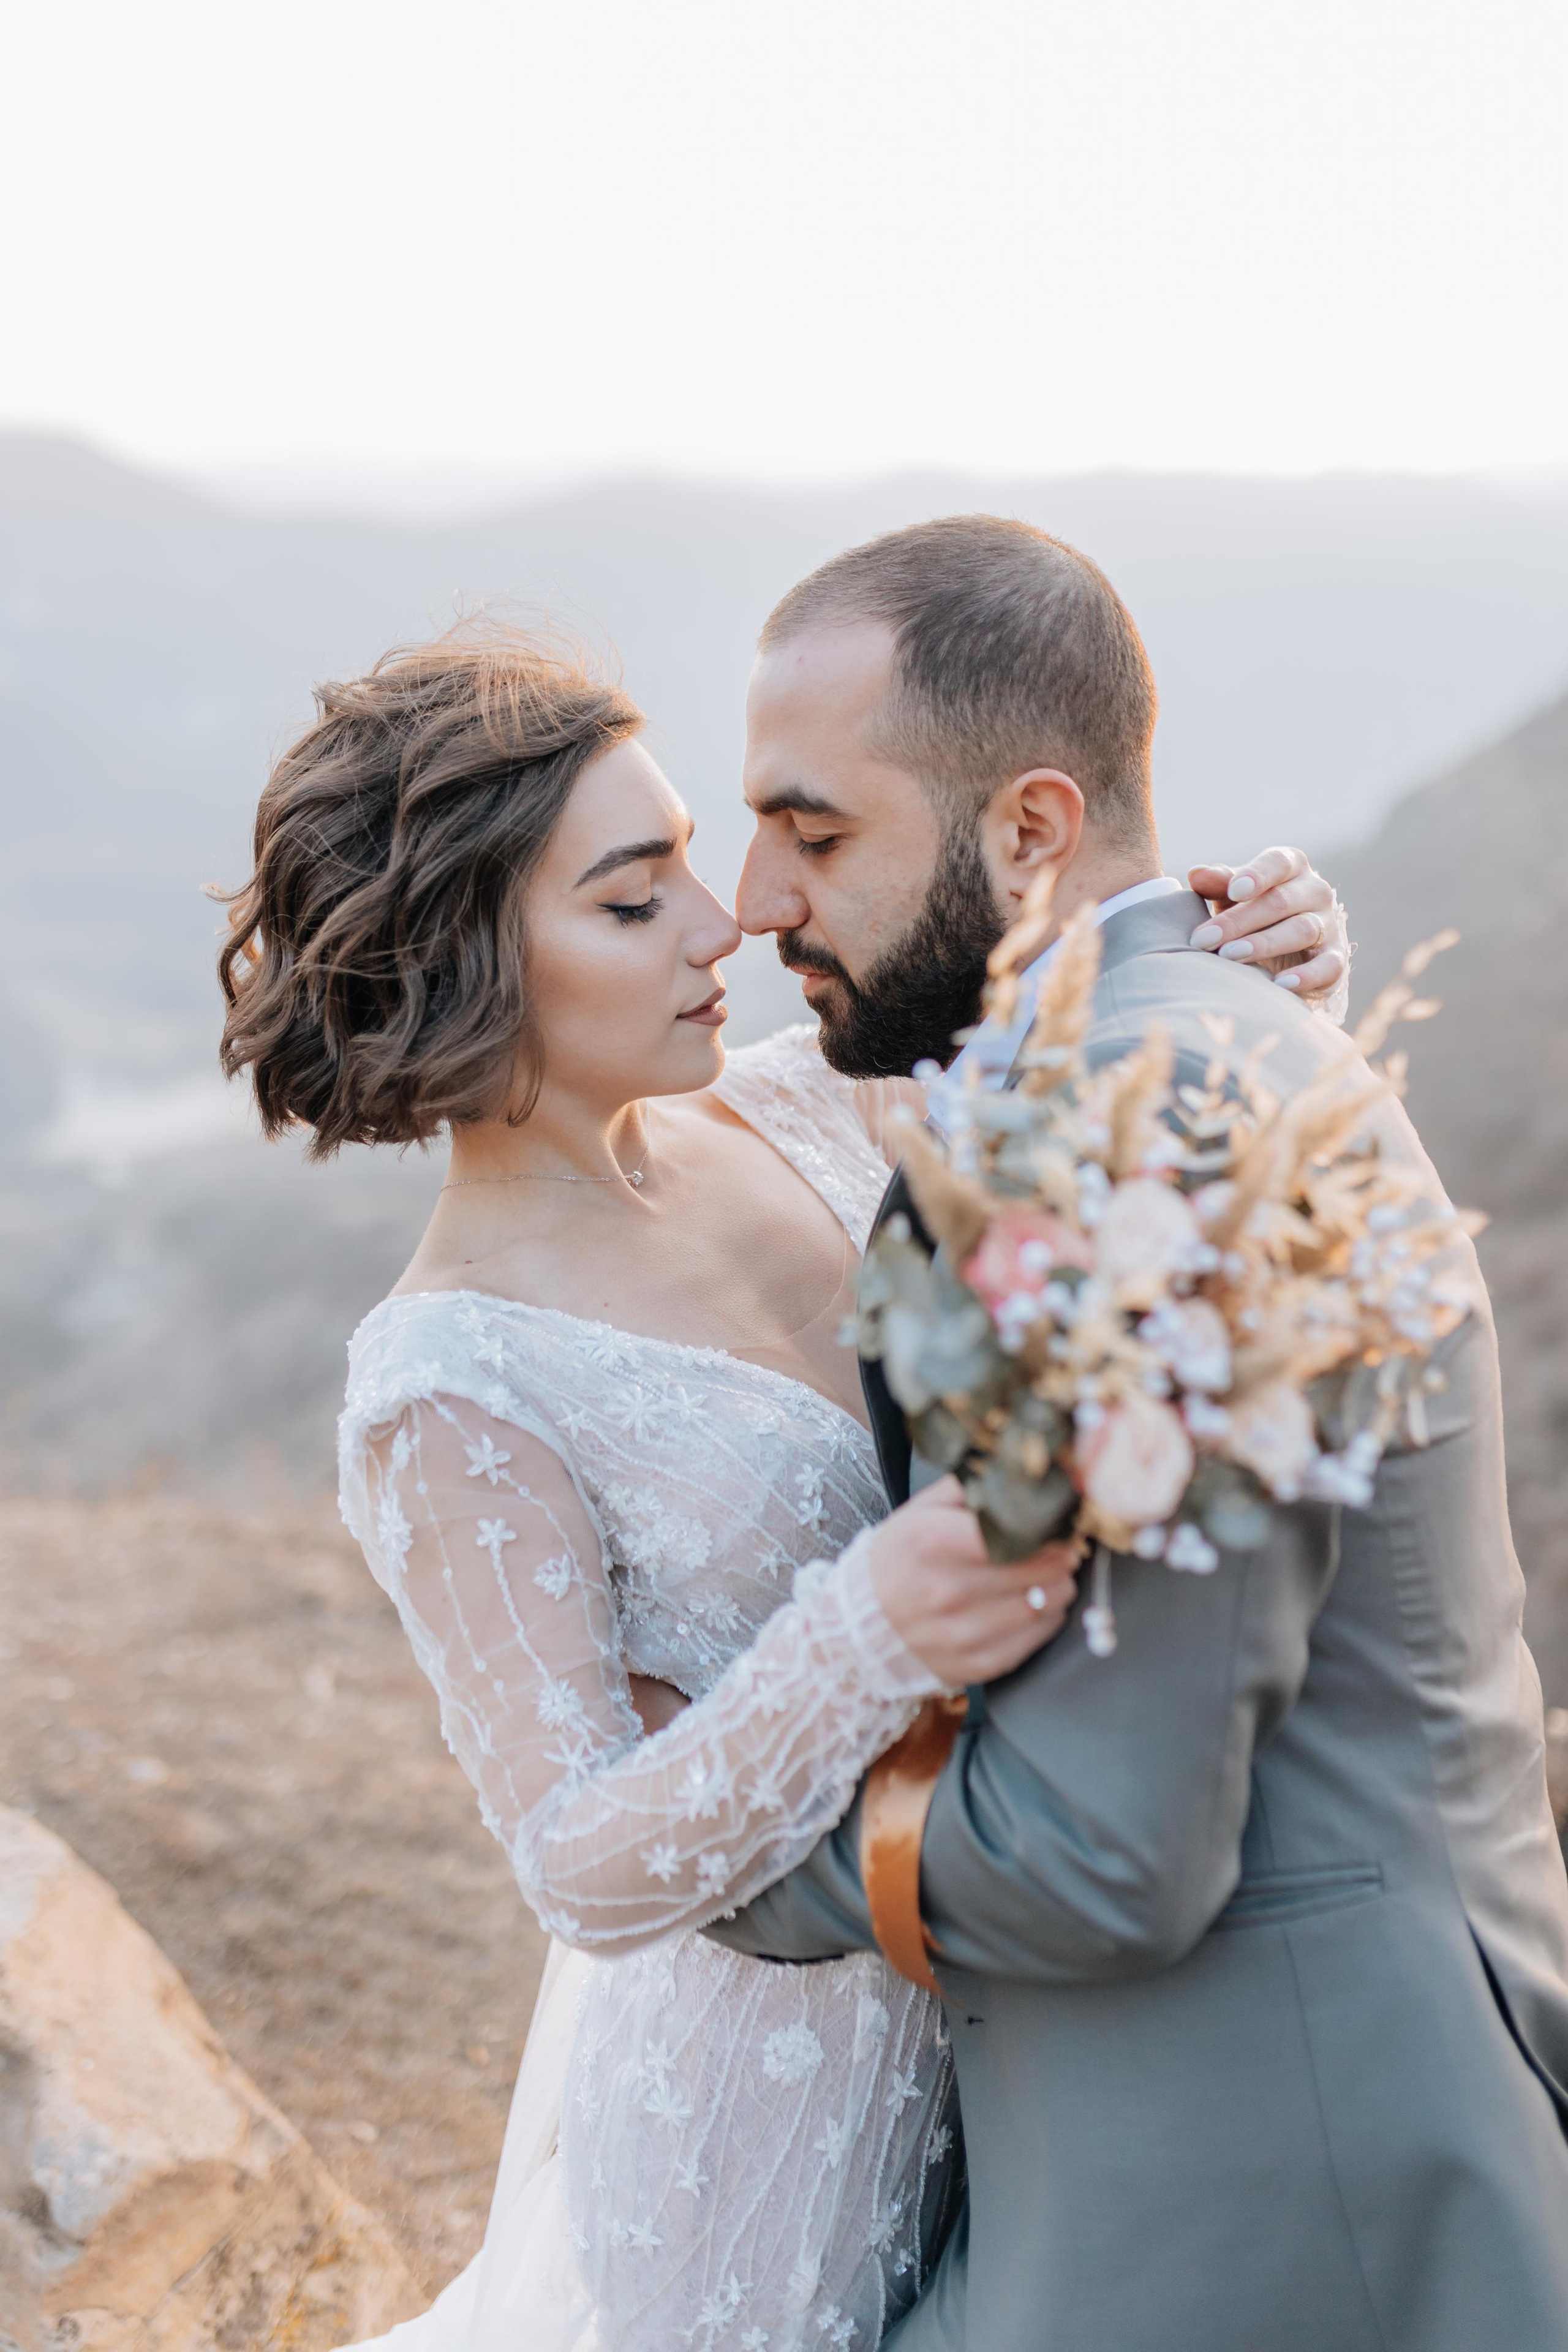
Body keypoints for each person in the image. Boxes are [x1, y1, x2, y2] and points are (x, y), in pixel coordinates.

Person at [217, 609, 1344, 2352]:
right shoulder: (449, 1381)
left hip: (1032, 2011)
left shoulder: (816, 1105)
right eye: (633, 899)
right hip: (764, 2139)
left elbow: (1120, 1177)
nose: (726, 918)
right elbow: (580, 1861)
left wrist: (1266, 982)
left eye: (691, 856)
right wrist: (868, 1629)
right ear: (464, 962)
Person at [707, 516, 1568, 2352]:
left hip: (1273, 2192)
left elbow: (1099, 1848)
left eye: (816, 833)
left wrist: (713, 1833)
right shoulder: (1197, 1044)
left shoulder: (1130, 1125)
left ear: (1031, 829)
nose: (757, 898)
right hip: (1260, 2140)